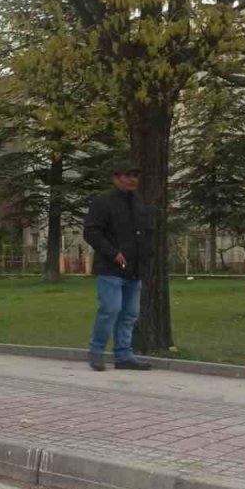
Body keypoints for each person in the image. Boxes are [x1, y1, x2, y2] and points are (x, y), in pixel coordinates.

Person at [83, 159, 153, 371]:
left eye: (135, 176)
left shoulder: (138, 202)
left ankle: (124, 355)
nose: (132, 179)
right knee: (110, 310)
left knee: (130, 314)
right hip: (110, 268)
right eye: (127, 175)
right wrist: (113, 253)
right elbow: (91, 232)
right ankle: (96, 351)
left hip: (134, 270)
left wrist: (147, 259)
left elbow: (145, 233)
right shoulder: (103, 202)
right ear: (116, 178)